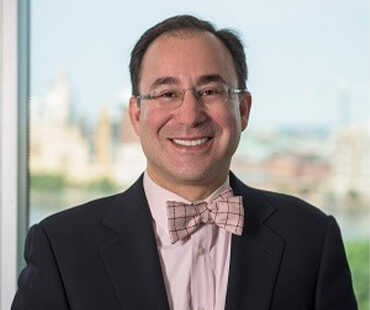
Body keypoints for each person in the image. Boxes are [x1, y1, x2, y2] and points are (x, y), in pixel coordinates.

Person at [12, 15, 357, 310]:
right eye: (167, 94)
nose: (190, 115)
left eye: (209, 91)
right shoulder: (61, 247)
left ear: (243, 110)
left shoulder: (311, 239)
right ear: (136, 114)